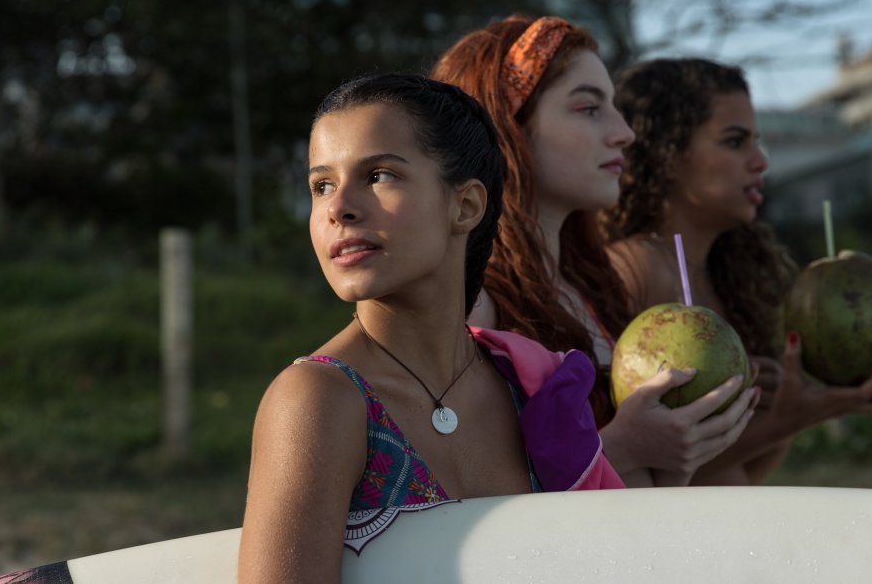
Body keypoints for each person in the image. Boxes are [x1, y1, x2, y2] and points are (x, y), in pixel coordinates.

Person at [238, 73, 622, 583]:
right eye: (321, 185)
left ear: (465, 206)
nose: (338, 208)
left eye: (379, 175)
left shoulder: (527, 386)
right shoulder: (319, 401)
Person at [431, 15, 758, 488]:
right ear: (505, 130)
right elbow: (461, 487)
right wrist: (624, 447)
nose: (624, 132)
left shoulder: (588, 288)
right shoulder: (473, 300)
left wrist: (676, 454)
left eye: (615, 108)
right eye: (588, 108)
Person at [602, 57, 872, 485]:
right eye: (735, 141)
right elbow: (653, 475)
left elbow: (740, 476)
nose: (760, 161)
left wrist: (791, 413)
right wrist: (793, 417)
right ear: (666, 152)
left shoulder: (722, 280)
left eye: (758, 143)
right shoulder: (634, 268)